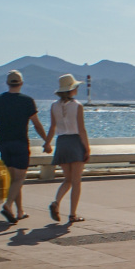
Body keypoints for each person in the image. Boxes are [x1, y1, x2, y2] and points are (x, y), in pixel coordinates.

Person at [0, 70, 50, 223]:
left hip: (4, 143)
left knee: (14, 179)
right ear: (21, 83)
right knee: (20, 178)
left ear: (7, 83)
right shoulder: (27, 101)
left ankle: (20, 212)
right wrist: (47, 140)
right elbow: (36, 124)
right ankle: (8, 205)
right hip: (20, 143)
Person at [45, 74, 90, 223]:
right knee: (76, 181)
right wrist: (87, 148)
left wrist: (47, 143)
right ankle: (72, 214)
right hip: (75, 142)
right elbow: (81, 129)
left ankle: (56, 202)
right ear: (71, 89)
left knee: (67, 179)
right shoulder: (77, 106)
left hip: (62, 142)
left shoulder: (54, 106)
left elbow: (52, 127)